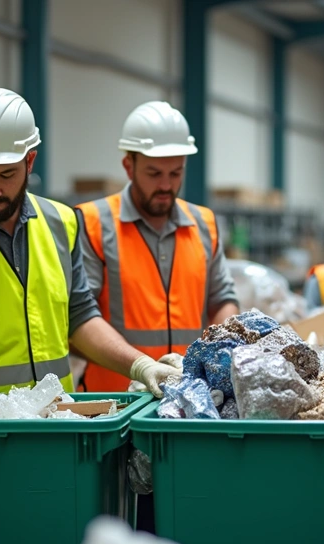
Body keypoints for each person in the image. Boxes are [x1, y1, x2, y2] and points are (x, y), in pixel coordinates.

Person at [0, 89, 181, 410]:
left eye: (6, 174)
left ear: (30, 161)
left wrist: (140, 364)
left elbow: (81, 317)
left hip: (59, 422)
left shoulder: (61, 222)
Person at [75, 101, 239, 391]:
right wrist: (140, 367)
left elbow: (222, 299)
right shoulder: (93, 223)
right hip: (118, 402)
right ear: (129, 166)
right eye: (154, 173)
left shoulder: (204, 223)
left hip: (190, 395)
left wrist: (218, 353)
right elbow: (79, 318)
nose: (166, 185)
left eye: (175, 173)